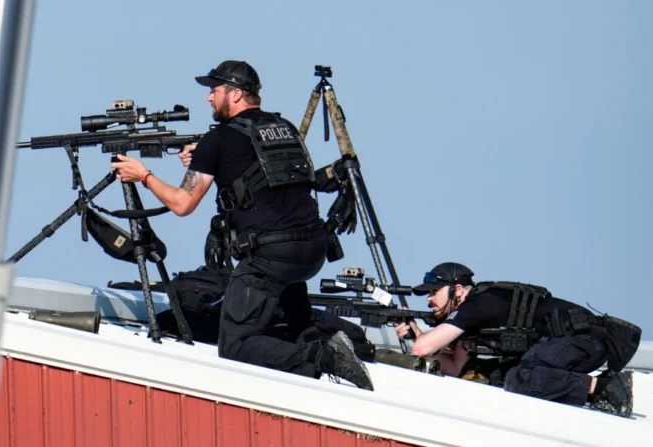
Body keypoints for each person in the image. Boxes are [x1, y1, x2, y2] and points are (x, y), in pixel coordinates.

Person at [111, 60, 373, 391]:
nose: (208, 98)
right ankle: (323, 348)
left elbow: (182, 203)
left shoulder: (218, 139)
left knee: (235, 345)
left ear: (235, 94)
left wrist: (143, 176)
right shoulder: (284, 127)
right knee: (293, 323)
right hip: (311, 247)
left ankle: (326, 357)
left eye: (214, 90)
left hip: (270, 255)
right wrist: (208, 159)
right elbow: (262, 171)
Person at [395, 262, 639, 418]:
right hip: (573, 344)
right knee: (493, 373)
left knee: (522, 378)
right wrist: (424, 344)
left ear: (457, 290)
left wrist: (419, 338)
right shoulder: (475, 312)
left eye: (433, 292)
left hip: (586, 339)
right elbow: (456, 368)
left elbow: (422, 347)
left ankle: (606, 388)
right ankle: (600, 385)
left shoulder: (477, 305)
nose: (429, 299)